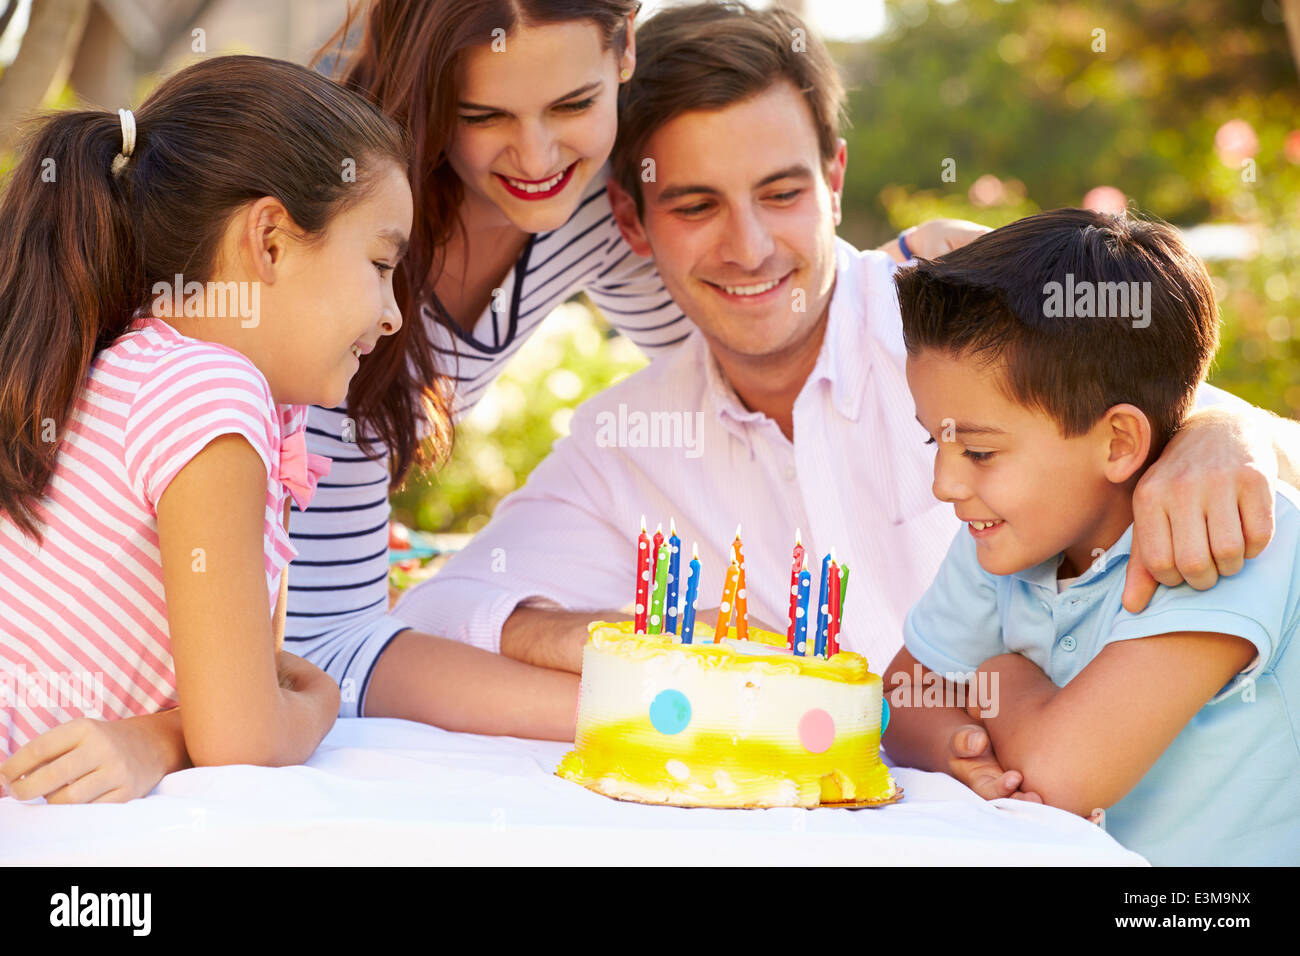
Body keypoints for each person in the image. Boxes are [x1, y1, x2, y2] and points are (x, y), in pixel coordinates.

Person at [390, 1, 1300, 803]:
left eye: (781, 192)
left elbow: (1156, 418)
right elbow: (438, 613)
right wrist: (653, 640)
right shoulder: (627, 439)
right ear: (632, 221)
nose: (748, 248)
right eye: (696, 205)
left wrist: (1227, 432)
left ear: (834, 177)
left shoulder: (966, 338)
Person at [286, 0, 987, 724]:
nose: (536, 157)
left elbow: (763, 322)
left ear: (621, 55)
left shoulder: (594, 206)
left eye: (573, 103)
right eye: (483, 115)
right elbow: (325, 648)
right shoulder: (336, 242)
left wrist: (916, 283)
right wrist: (681, 695)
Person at [0, 55, 403, 802]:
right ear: (272, 239)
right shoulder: (210, 394)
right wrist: (319, 701)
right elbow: (243, 737)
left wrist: (161, 736)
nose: (392, 313)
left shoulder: (138, 367)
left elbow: (229, 694)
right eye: (380, 263)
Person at [883, 209, 1299, 865]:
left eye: (981, 453)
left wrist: (1000, 681)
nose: (944, 484)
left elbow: (1062, 773)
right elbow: (904, 694)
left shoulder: (1222, 536)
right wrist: (958, 750)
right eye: (936, 439)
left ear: (1118, 443)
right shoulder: (1005, 537)